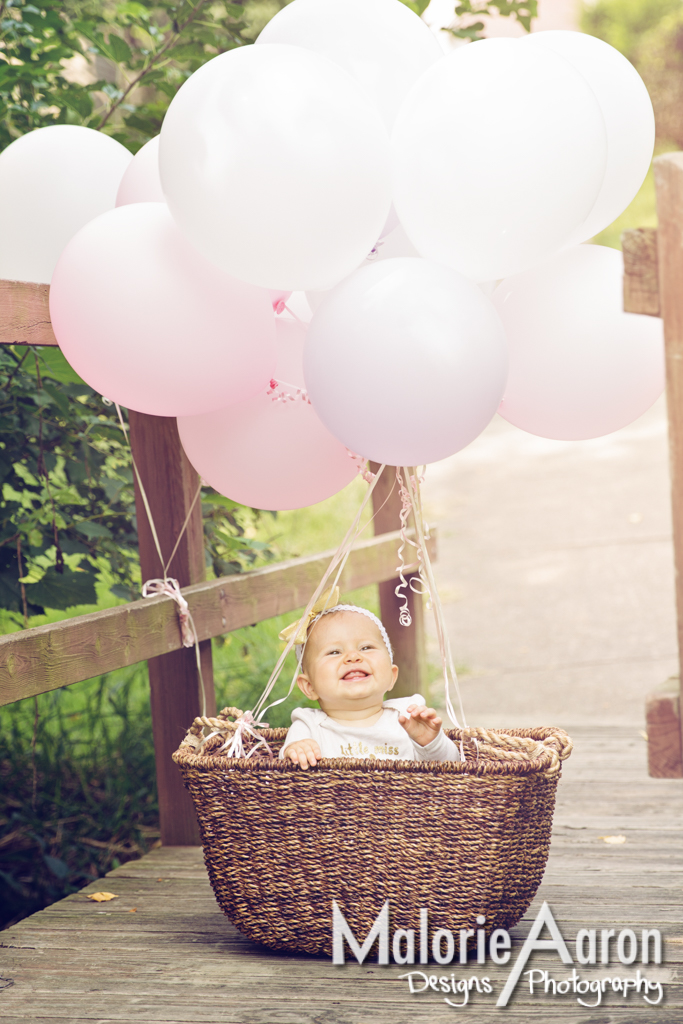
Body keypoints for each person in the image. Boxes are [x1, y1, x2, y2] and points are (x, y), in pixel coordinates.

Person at [279, 600, 461, 769]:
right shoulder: (309, 726)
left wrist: (430, 742)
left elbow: (452, 766)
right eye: (334, 652)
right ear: (309, 686)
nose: (353, 656)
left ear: (391, 676)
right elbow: (286, 768)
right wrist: (297, 749)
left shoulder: (408, 715)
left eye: (366, 648)